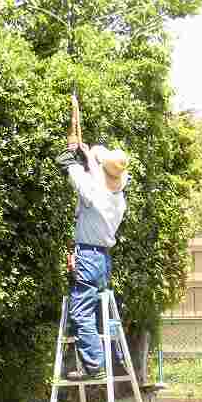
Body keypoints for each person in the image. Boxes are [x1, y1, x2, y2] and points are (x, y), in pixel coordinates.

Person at [60, 142, 130, 380]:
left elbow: (69, 166)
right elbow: (93, 176)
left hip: (88, 256)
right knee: (98, 314)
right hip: (102, 258)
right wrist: (86, 156)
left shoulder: (94, 191)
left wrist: (72, 154)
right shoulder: (118, 199)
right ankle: (116, 360)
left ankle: (94, 367)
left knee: (81, 312)